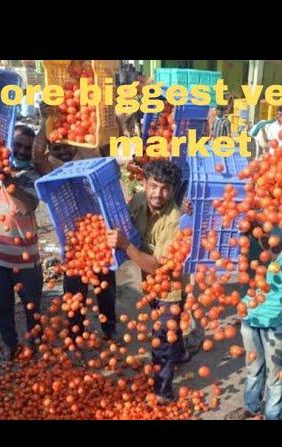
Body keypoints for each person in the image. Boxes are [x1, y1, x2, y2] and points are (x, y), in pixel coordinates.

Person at [31, 110, 119, 342]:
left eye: (65, 146)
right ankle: (75, 334)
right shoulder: (52, 167)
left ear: (73, 142)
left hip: (99, 231)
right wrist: (45, 120)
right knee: (74, 292)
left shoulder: (89, 153)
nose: (62, 151)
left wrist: (108, 113)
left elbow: (111, 144)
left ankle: (110, 328)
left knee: (106, 288)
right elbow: (36, 156)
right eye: (56, 148)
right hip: (74, 240)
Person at [224, 197, 282, 420]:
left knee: (275, 374)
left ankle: (273, 415)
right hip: (250, 307)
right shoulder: (256, 211)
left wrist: (262, 230)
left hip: (276, 313)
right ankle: (251, 405)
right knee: (253, 364)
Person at [106, 160, 189, 403]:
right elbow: (125, 221)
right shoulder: (140, 200)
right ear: (144, 183)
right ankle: (181, 353)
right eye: (153, 186)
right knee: (168, 327)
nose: (158, 194)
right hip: (149, 283)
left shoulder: (175, 220)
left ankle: (163, 392)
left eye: (165, 189)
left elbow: (158, 267)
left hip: (170, 287)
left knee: (161, 338)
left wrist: (125, 245)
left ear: (173, 190)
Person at [0, 125, 44, 361]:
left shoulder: (32, 175)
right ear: (8, 143)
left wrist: (5, 178)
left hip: (26, 259)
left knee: (32, 307)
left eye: (27, 147)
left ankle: (36, 345)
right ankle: (10, 345)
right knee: (0, 306)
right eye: (17, 144)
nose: (23, 150)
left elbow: (26, 205)